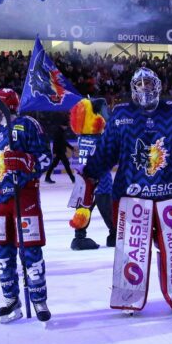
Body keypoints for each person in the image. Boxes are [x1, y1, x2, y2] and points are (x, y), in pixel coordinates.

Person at [76, 68, 172, 314]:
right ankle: (129, 295)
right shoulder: (121, 114)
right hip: (131, 195)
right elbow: (106, 151)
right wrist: (90, 172)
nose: (145, 87)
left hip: (170, 193)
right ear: (133, 88)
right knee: (132, 250)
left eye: (149, 82)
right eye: (140, 83)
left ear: (158, 85)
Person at [0, 88, 52, 323]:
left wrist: (26, 161)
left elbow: (46, 157)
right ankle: (11, 300)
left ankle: (38, 299)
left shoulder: (28, 125)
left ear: (2, 106)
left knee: (31, 252)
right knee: (3, 255)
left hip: (23, 198)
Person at [67, 98, 111, 251]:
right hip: (101, 180)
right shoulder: (100, 139)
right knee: (107, 208)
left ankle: (79, 237)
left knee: (84, 207)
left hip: (84, 179)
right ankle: (114, 234)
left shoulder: (82, 137)